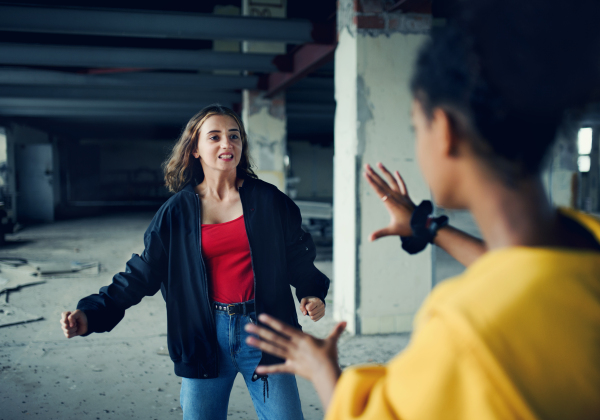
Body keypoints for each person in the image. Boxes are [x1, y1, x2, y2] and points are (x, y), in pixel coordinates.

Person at [244, 0, 600, 418]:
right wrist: (424, 225)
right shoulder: (584, 244)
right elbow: (523, 272)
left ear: (445, 130)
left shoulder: (465, 327)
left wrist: (324, 371)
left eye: (417, 127)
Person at [59, 104, 330, 420]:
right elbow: (141, 273)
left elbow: (298, 255)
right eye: (214, 137)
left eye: (234, 136)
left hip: (267, 331)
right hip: (203, 335)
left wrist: (311, 292)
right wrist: (92, 313)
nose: (226, 144)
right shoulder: (177, 212)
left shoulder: (269, 201)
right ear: (196, 149)